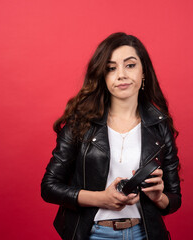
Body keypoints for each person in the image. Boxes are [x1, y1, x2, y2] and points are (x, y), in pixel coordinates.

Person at [41, 32, 181, 240]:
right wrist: (101, 199)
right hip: (93, 234)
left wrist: (158, 197)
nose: (121, 74)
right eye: (111, 68)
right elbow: (49, 187)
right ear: (102, 76)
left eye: (130, 65)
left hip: (144, 234)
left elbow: (174, 199)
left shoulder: (159, 127)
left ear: (144, 72)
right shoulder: (80, 124)